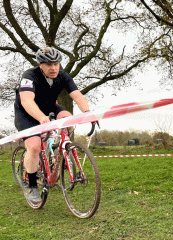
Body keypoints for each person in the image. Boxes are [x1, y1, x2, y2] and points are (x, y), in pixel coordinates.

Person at [14, 47, 90, 204]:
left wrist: (87, 112)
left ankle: (60, 151)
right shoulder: (29, 76)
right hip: (27, 114)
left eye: (56, 63)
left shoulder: (62, 76)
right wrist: (41, 118)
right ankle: (32, 185)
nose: (53, 68)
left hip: (50, 108)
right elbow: (27, 101)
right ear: (40, 64)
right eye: (48, 64)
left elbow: (77, 95)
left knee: (69, 119)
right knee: (34, 146)